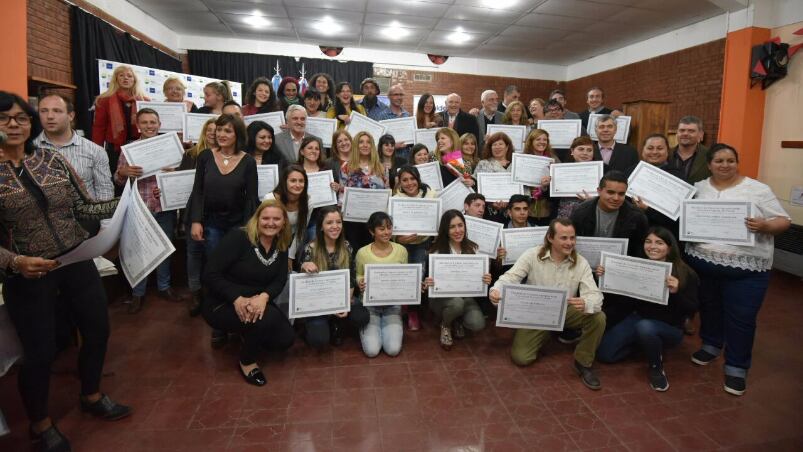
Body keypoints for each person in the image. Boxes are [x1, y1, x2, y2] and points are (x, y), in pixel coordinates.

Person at [0, 91, 130, 452]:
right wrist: (15, 262)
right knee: (40, 351)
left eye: (21, 118)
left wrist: (126, 201)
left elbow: (85, 206)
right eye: (4, 118)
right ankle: (41, 424)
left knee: (97, 329)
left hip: (76, 258)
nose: (14, 125)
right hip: (28, 272)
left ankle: (91, 394)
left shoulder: (52, 160)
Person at [686, 143, 790, 396]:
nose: (724, 165)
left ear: (737, 162)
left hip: (746, 269)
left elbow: (783, 221)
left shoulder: (757, 190)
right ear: (709, 164)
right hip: (703, 263)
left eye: (730, 160)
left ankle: (736, 366)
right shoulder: (698, 189)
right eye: (719, 161)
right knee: (709, 308)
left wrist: (765, 225)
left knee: (741, 318)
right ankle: (711, 344)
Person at [489, 218, 606, 390]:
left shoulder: (581, 262)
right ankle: (544, 333)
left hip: (564, 311)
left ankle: (583, 362)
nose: (569, 243)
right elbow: (510, 278)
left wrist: (586, 302)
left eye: (572, 238)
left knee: (598, 317)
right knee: (522, 358)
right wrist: (495, 291)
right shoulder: (532, 255)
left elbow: (595, 295)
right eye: (564, 238)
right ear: (550, 238)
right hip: (535, 314)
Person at [202, 199, 295, 386]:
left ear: (284, 221)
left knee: (285, 340)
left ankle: (246, 331)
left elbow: (279, 279)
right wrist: (236, 298)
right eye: (265, 218)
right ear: (257, 219)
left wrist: (264, 296)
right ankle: (247, 361)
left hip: (258, 302)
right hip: (222, 301)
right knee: (266, 319)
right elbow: (209, 274)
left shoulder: (282, 241)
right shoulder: (239, 238)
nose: (271, 223)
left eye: (276, 219)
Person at [596, 227, 700, 391]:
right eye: (648, 241)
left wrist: (677, 292)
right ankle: (643, 345)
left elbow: (692, 309)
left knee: (646, 327)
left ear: (670, 247)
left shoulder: (685, 272)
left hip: (669, 326)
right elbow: (621, 301)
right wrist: (606, 276)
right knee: (604, 354)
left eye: (659, 243)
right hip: (637, 319)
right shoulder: (636, 265)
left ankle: (656, 368)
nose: (652, 246)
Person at [114, 108, 182, 313]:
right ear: (138, 125)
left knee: (165, 250)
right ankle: (138, 293)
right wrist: (123, 172)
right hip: (139, 208)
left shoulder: (171, 147)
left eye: (153, 122)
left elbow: (182, 179)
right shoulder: (128, 149)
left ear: (160, 124)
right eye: (145, 122)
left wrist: (173, 174)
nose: (149, 126)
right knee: (138, 251)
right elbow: (117, 180)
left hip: (164, 207)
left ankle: (164, 287)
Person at [570, 171, 649, 328]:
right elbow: (572, 244)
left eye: (621, 194)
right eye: (610, 192)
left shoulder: (637, 216)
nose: (616, 198)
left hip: (619, 275)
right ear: (599, 191)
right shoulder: (581, 212)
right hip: (585, 270)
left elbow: (640, 250)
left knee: (613, 316)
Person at [188, 113, 259, 272]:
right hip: (211, 222)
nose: (220, 134)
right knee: (213, 263)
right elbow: (198, 191)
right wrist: (196, 221)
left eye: (227, 131)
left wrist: (248, 229)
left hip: (237, 224)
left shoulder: (248, 161)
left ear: (237, 134)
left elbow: (251, 198)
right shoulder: (205, 156)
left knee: (234, 265)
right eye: (219, 130)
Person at [300, 206, 369, 348]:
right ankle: (315, 324)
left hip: (340, 298)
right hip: (319, 302)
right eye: (329, 222)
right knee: (319, 340)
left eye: (338, 222)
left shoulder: (347, 246)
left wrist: (345, 302)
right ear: (321, 227)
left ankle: (336, 322)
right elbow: (304, 286)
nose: (335, 226)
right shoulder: (310, 248)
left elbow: (351, 277)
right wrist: (304, 266)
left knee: (362, 317)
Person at [424, 210, 490, 349]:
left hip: (466, 296)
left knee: (477, 324)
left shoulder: (473, 248)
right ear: (445, 230)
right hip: (442, 299)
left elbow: (479, 278)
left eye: (460, 225)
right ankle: (446, 325)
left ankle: (456, 319)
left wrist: (485, 279)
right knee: (456, 304)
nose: (457, 230)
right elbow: (428, 281)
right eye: (452, 227)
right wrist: (428, 282)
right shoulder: (436, 251)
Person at [34, 93, 114, 201]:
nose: (50, 116)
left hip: (84, 216)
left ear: (71, 115)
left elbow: (105, 192)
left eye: (57, 111)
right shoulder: (26, 149)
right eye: (44, 111)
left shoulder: (95, 151)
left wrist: (102, 217)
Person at [355, 212, 408, 357]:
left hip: (392, 306)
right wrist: (360, 281)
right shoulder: (362, 253)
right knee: (372, 351)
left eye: (389, 228)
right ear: (372, 231)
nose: (387, 232)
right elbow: (358, 274)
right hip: (370, 306)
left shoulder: (401, 251)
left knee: (393, 350)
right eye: (381, 229)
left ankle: (391, 323)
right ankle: (372, 325)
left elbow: (406, 276)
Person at [178, 117, 216, 317]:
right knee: (193, 254)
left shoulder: (226, 156)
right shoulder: (191, 154)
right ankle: (195, 292)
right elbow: (179, 183)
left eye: (216, 129)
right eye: (209, 129)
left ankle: (211, 292)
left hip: (215, 213)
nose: (212, 133)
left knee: (212, 254)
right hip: (193, 210)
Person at [393, 165, 436, 331]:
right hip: (401, 245)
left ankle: (413, 311)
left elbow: (438, 220)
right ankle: (402, 306)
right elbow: (389, 227)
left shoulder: (431, 195)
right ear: (400, 182)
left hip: (422, 243)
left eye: (413, 179)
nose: (409, 183)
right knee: (403, 276)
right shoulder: (395, 199)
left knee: (418, 276)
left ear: (418, 179)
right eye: (405, 180)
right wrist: (399, 238)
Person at [91, 64, 150, 173]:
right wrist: (96, 151)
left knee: (139, 177)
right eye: (121, 75)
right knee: (117, 181)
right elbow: (99, 128)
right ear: (116, 79)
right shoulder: (104, 100)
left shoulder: (144, 101)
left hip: (139, 147)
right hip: (115, 150)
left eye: (129, 76)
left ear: (134, 80)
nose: (125, 78)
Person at [628, 134, 684, 237]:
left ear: (667, 151)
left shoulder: (677, 176)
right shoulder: (631, 172)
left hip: (664, 233)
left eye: (660, 148)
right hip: (634, 231)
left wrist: (648, 210)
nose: (654, 152)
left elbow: (678, 214)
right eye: (650, 148)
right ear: (643, 150)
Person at [341, 131, 388, 251]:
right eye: (361, 142)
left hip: (375, 222)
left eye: (368, 142)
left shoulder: (382, 168)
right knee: (355, 253)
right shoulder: (346, 167)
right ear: (356, 146)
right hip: (352, 221)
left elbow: (386, 193)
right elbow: (342, 194)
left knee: (374, 253)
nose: (365, 145)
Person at [265, 165, 310, 267]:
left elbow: (301, 230)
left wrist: (290, 256)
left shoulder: (309, 201)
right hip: (270, 237)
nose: (298, 185)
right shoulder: (270, 198)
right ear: (284, 182)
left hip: (293, 239)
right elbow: (264, 229)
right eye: (293, 181)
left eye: (301, 181)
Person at [556, 136, 599, 218]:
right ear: (572, 151)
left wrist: (593, 200)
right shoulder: (561, 170)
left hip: (589, 213)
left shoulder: (601, 172)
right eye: (581, 149)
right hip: (565, 215)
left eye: (589, 150)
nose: (585, 153)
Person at [523, 129, 558, 225]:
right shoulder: (522, 160)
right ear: (531, 141)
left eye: (545, 140)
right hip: (527, 209)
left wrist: (545, 187)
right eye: (538, 139)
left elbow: (559, 185)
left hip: (547, 209)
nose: (542, 142)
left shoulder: (554, 160)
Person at [671, 115, 710, 183]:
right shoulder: (666, 154)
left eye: (691, 131)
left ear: (701, 134)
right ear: (677, 133)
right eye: (682, 130)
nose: (685, 134)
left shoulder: (710, 155)